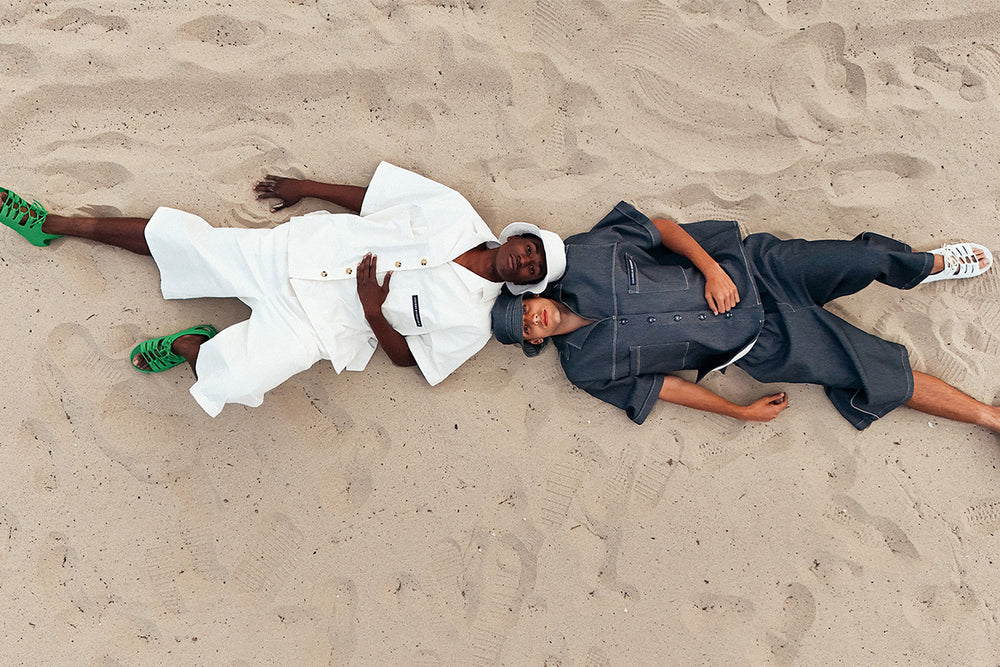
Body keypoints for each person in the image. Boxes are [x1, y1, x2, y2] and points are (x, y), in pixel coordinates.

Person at [0, 162, 566, 416]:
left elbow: (408, 361)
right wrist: (306, 187)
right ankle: (51, 224)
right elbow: (375, 198)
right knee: (185, 243)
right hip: (298, 253)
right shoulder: (455, 211)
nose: (526, 259)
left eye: (533, 268)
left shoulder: (473, 324)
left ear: (527, 284)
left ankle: (191, 345)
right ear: (518, 236)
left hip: (321, 326)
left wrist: (373, 312)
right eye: (532, 246)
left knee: (235, 381)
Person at [491, 200, 1000, 433]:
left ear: (532, 295)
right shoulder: (584, 368)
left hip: (755, 269)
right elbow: (665, 388)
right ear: (532, 342)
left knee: (863, 257)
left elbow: (662, 228)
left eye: (525, 310)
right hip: (759, 342)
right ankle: (988, 417)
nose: (532, 320)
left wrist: (713, 269)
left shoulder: (582, 256)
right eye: (525, 329)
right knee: (878, 374)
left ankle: (929, 265)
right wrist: (737, 412)